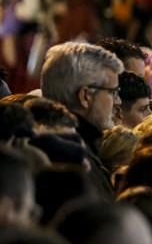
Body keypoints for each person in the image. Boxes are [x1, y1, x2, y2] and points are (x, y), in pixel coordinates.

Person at [40, 42, 124, 198]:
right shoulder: (75, 163)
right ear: (86, 96)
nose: (118, 101)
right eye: (113, 92)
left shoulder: (54, 146)